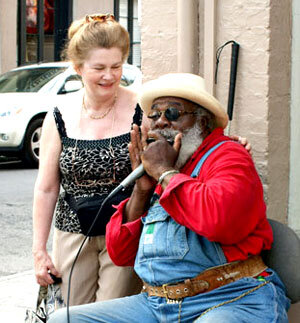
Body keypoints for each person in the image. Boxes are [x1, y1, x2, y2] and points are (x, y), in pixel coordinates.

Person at [49, 72, 290, 323]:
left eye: (173, 114)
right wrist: (142, 190)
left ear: (203, 123)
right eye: (154, 115)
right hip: (158, 304)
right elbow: (120, 253)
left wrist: (166, 173)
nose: (161, 122)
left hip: (231, 296)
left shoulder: (228, 156)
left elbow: (219, 221)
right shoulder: (162, 169)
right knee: (63, 320)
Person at [32, 13, 143, 307]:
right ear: (78, 67)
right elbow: (46, 188)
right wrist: (39, 251)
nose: (109, 75)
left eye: (116, 66)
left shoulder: (142, 107)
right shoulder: (58, 115)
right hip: (71, 230)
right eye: (99, 68)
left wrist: (228, 144)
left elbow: (181, 145)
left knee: (113, 312)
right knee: (71, 312)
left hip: (124, 228)